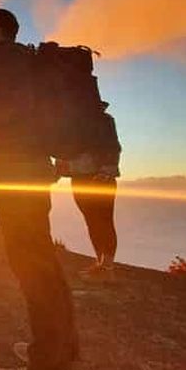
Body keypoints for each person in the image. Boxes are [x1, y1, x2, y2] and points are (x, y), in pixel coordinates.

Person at [0, 8, 86, 370]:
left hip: (18, 175)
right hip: (29, 169)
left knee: (32, 265)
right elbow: (24, 121)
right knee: (43, 263)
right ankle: (64, 357)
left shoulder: (7, 62)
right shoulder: (22, 63)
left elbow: (5, 117)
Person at [57, 102, 122, 276]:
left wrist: (106, 170)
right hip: (81, 176)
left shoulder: (104, 121)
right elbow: (63, 149)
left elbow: (113, 147)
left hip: (99, 176)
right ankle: (102, 263)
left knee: (103, 220)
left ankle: (106, 266)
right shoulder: (72, 122)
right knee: (92, 220)